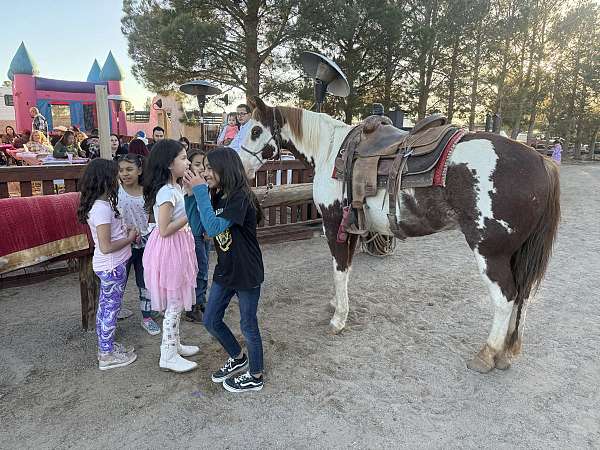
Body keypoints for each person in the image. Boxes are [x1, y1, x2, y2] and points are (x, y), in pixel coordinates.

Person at [183, 146, 265, 393]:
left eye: (209, 168)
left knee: (248, 325)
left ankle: (256, 375)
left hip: (246, 271)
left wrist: (199, 191)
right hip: (226, 269)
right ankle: (238, 357)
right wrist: (190, 195)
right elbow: (200, 228)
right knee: (210, 320)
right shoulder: (216, 195)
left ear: (224, 168)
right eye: (203, 168)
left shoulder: (241, 197)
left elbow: (216, 227)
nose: (205, 173)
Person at [142, 139, 199, 373]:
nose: (187, 163)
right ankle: (167, 353)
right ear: (168, 163)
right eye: (183, 158)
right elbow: (164, 228)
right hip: (170, 248)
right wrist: (191, 216)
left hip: (178, 245)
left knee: (177, 301)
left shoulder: (174, 187)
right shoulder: (166, 191)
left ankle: (175, 344)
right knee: (174, 304)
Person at [76, 158, 138, 370]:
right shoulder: (101, 208)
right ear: (105, 180)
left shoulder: (102, 204)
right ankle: (106, 355)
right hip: (112, 265)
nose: (119, 178)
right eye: (115, 175)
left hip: (111, 265)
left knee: (107, 308)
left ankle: (107, 346)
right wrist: (129, 239)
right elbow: (106, 246)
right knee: (110, 310)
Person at [117, 153, 162, 335]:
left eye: (129, 169)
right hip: (122, 244)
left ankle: (146, 316)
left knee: (145, 282)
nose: (125, 173)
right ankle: (114, 311)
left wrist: (147, 235)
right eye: (121, 170)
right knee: (120, 280)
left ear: (140, 170)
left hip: (145, 244)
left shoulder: (148, 191)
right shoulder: (116, 191)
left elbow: (154, 217)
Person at [183, 149, 210, 323]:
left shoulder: (205, 184)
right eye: (197, 164)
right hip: (194, 233)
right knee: (200, 268)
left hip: (203, 232)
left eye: (204, 165)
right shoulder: (189, 185)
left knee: (204, 266)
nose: (201, 168)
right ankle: (195, 305)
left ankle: (200, 301)